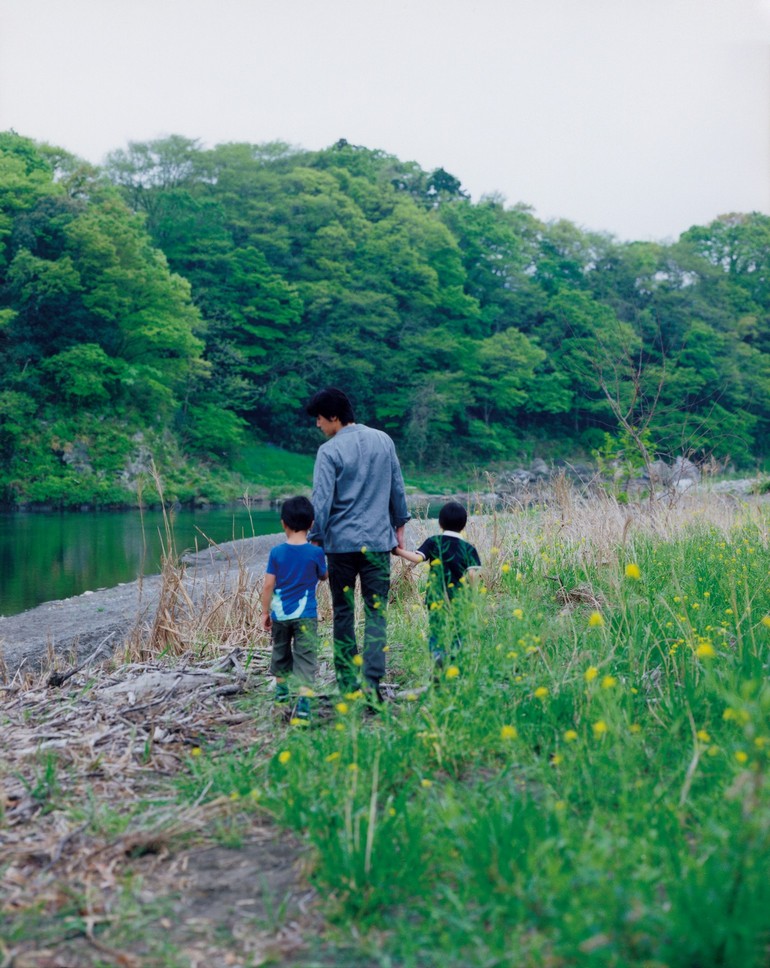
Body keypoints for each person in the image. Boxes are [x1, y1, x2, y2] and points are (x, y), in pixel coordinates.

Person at [305, 387, 410, 700]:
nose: (318, 425)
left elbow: (321, 502)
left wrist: (314, 539)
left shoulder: (330, 451)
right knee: (377, 612)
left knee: (343, 612)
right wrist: (399, 526)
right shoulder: (383, 440)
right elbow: (397, 487)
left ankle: (347, 683)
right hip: (378, 543)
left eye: (320, 419)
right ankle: (373, 684)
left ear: (335, 416)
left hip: (341, 546)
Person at [393, 501, 481, 673]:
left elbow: (418, 558)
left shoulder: (434, 541)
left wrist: (398, 551)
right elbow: (472, 575)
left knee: (437, 628)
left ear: (440, 523)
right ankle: (456, 659)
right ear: (464, 525)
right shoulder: (469, 548)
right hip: (459, 598)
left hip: (436, 595)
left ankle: (438, 656)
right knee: (458, 629)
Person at [260, 495, 328, 719]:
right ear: (311, 524)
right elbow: (324, 576)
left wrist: (264, 612)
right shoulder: (316, 552)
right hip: (306, 615)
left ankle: (281, 702)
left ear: (283, 524)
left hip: (280, 614)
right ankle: (304, 709)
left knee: (280, 653)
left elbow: (268, 585)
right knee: (306, 659)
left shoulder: (276, 552)